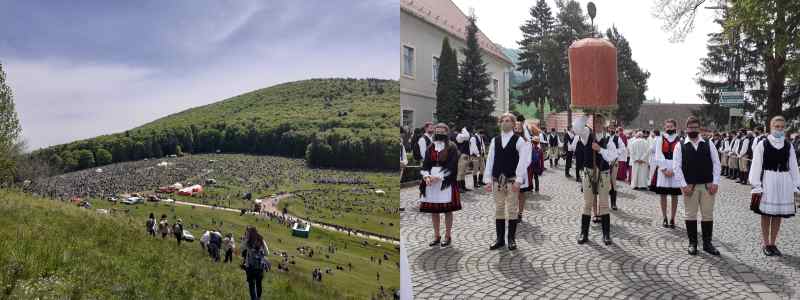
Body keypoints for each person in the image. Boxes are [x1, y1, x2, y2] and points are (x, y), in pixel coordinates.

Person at [749, 116, 798, 257]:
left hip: (783, 180)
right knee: (766, 214)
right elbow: (756, 165)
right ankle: (765, 243)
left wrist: (795, 184)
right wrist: (756, 185)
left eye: (782, 127)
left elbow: (793, 166)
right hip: (768, 180)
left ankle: (773, 243)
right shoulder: (762, 144)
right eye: (777, 126)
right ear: (771, 127)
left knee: (778, 214)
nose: (779, 129)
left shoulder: (788, 145)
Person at [673, 117, 721, 256]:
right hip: (690, 187)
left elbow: (717, 163)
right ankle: (692, 243)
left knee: (707, 214)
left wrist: (715, 182)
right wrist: (683, 185)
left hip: (707, 185)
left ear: (699, 128)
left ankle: (707, 244)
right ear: (686, 128)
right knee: (690, 215)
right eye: (690, 128)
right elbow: (677, 167)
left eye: (695, 127)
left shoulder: (708, 143)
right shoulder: (680, 145)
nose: (693, 130)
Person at [484, 113, 531, 251]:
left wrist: (519, 179)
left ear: (513, 123)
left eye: (508, 121)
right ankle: (499, 239)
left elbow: (523, 161)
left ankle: (511, 239)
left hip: (511, 181)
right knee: (499, 208)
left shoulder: (519, 140)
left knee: (511, 210)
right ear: (500, 123)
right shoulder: (495, 140)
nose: (505, 123)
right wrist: (487, 179)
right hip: (497, 180)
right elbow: (490, 160)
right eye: (502, 121)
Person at [575, 114, 618, 245]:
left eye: (600, 122)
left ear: (604, 124)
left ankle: (606, 235)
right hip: (589, 172)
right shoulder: (587, 133)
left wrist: (600, 150)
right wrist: (586, 114)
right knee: (587, 203)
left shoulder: (608, 139)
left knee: (604, 204)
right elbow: (576, 128)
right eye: (596, 122)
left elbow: (612, 156)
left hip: (603, 173)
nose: (598, 124)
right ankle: (584, 233)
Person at [419, 123, 462, 247]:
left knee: (448, 210)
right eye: (437, 130)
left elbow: (452, 165)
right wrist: (426, 176)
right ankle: (436, 235)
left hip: (446, 181)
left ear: (446, 133)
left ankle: (448, 236)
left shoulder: (452, 147)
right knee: (434, 210)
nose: (439, 133)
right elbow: (425, 165)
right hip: (431, 182)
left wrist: (439, 177)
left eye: (442, 131)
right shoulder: (430, 147)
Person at [650, 120, 682, 228]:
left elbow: (680, 156)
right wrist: (664, 169)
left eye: (671, 126)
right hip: (662, 168)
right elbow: (658, 154)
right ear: (665, 127)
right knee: (663, 194)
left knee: (674, 195)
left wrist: (674, 170)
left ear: (675, 127)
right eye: (667, 126)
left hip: (675, 168)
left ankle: (673, 218)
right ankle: (664, 217)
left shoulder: (679, 139)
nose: (669, 128)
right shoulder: (660, 139)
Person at [241, 226, 270, 300]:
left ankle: (253, 298)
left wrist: (246, 239)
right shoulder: (261, 239)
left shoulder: (248, 240)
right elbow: (267, 253)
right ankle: (259, 298)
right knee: (259, 284)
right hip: (260, 267)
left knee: (251, 285)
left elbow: (241, 248)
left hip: (250, 266)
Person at [455, 127, 473, 193]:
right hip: (462, 156)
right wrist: (464, 129)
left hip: (466, 155)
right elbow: (467, 136)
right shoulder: (460, 136)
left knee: (463, 172)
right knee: (460, 172)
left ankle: (463, 186)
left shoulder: (464, 137)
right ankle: (458, 187)